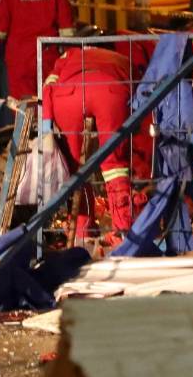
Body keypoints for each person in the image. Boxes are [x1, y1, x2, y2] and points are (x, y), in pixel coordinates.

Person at [42, 46, 151, 239]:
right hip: (110, 91)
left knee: (75, 168)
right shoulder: (123, 59)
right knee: (114, 164)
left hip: (69, 96)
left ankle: (82, 231)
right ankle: (124, 230)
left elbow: (48, 86)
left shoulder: (68, 55)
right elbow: (139, 102)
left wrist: (45, 128)